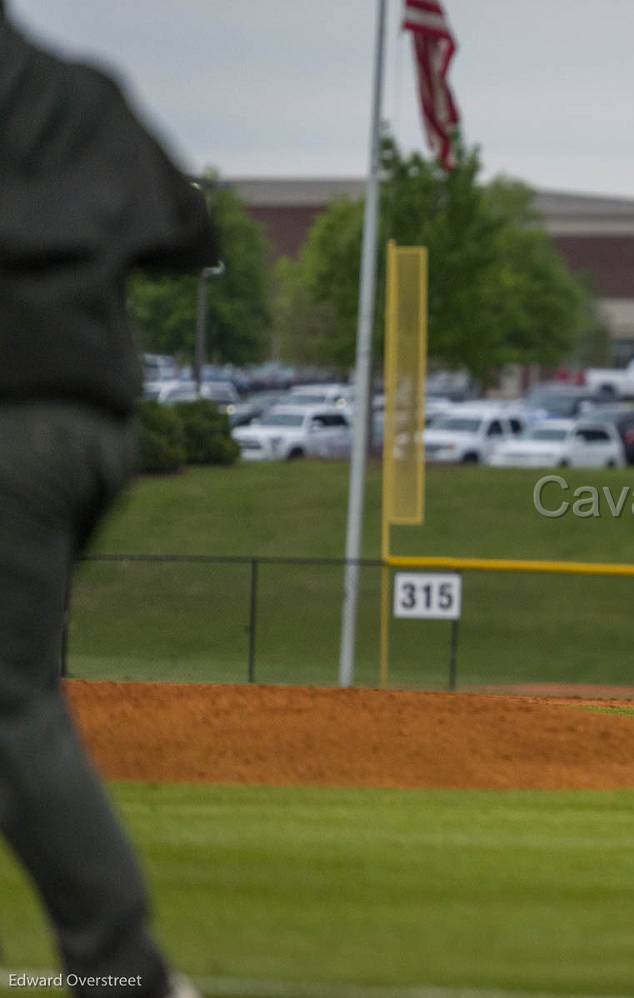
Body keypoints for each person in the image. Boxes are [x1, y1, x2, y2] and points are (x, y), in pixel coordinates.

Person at [1, 10, 217, 997]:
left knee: (6, 694)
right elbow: (187, 232)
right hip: (95, 424)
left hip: (16, 421)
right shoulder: (77, 92)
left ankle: (124, 973)